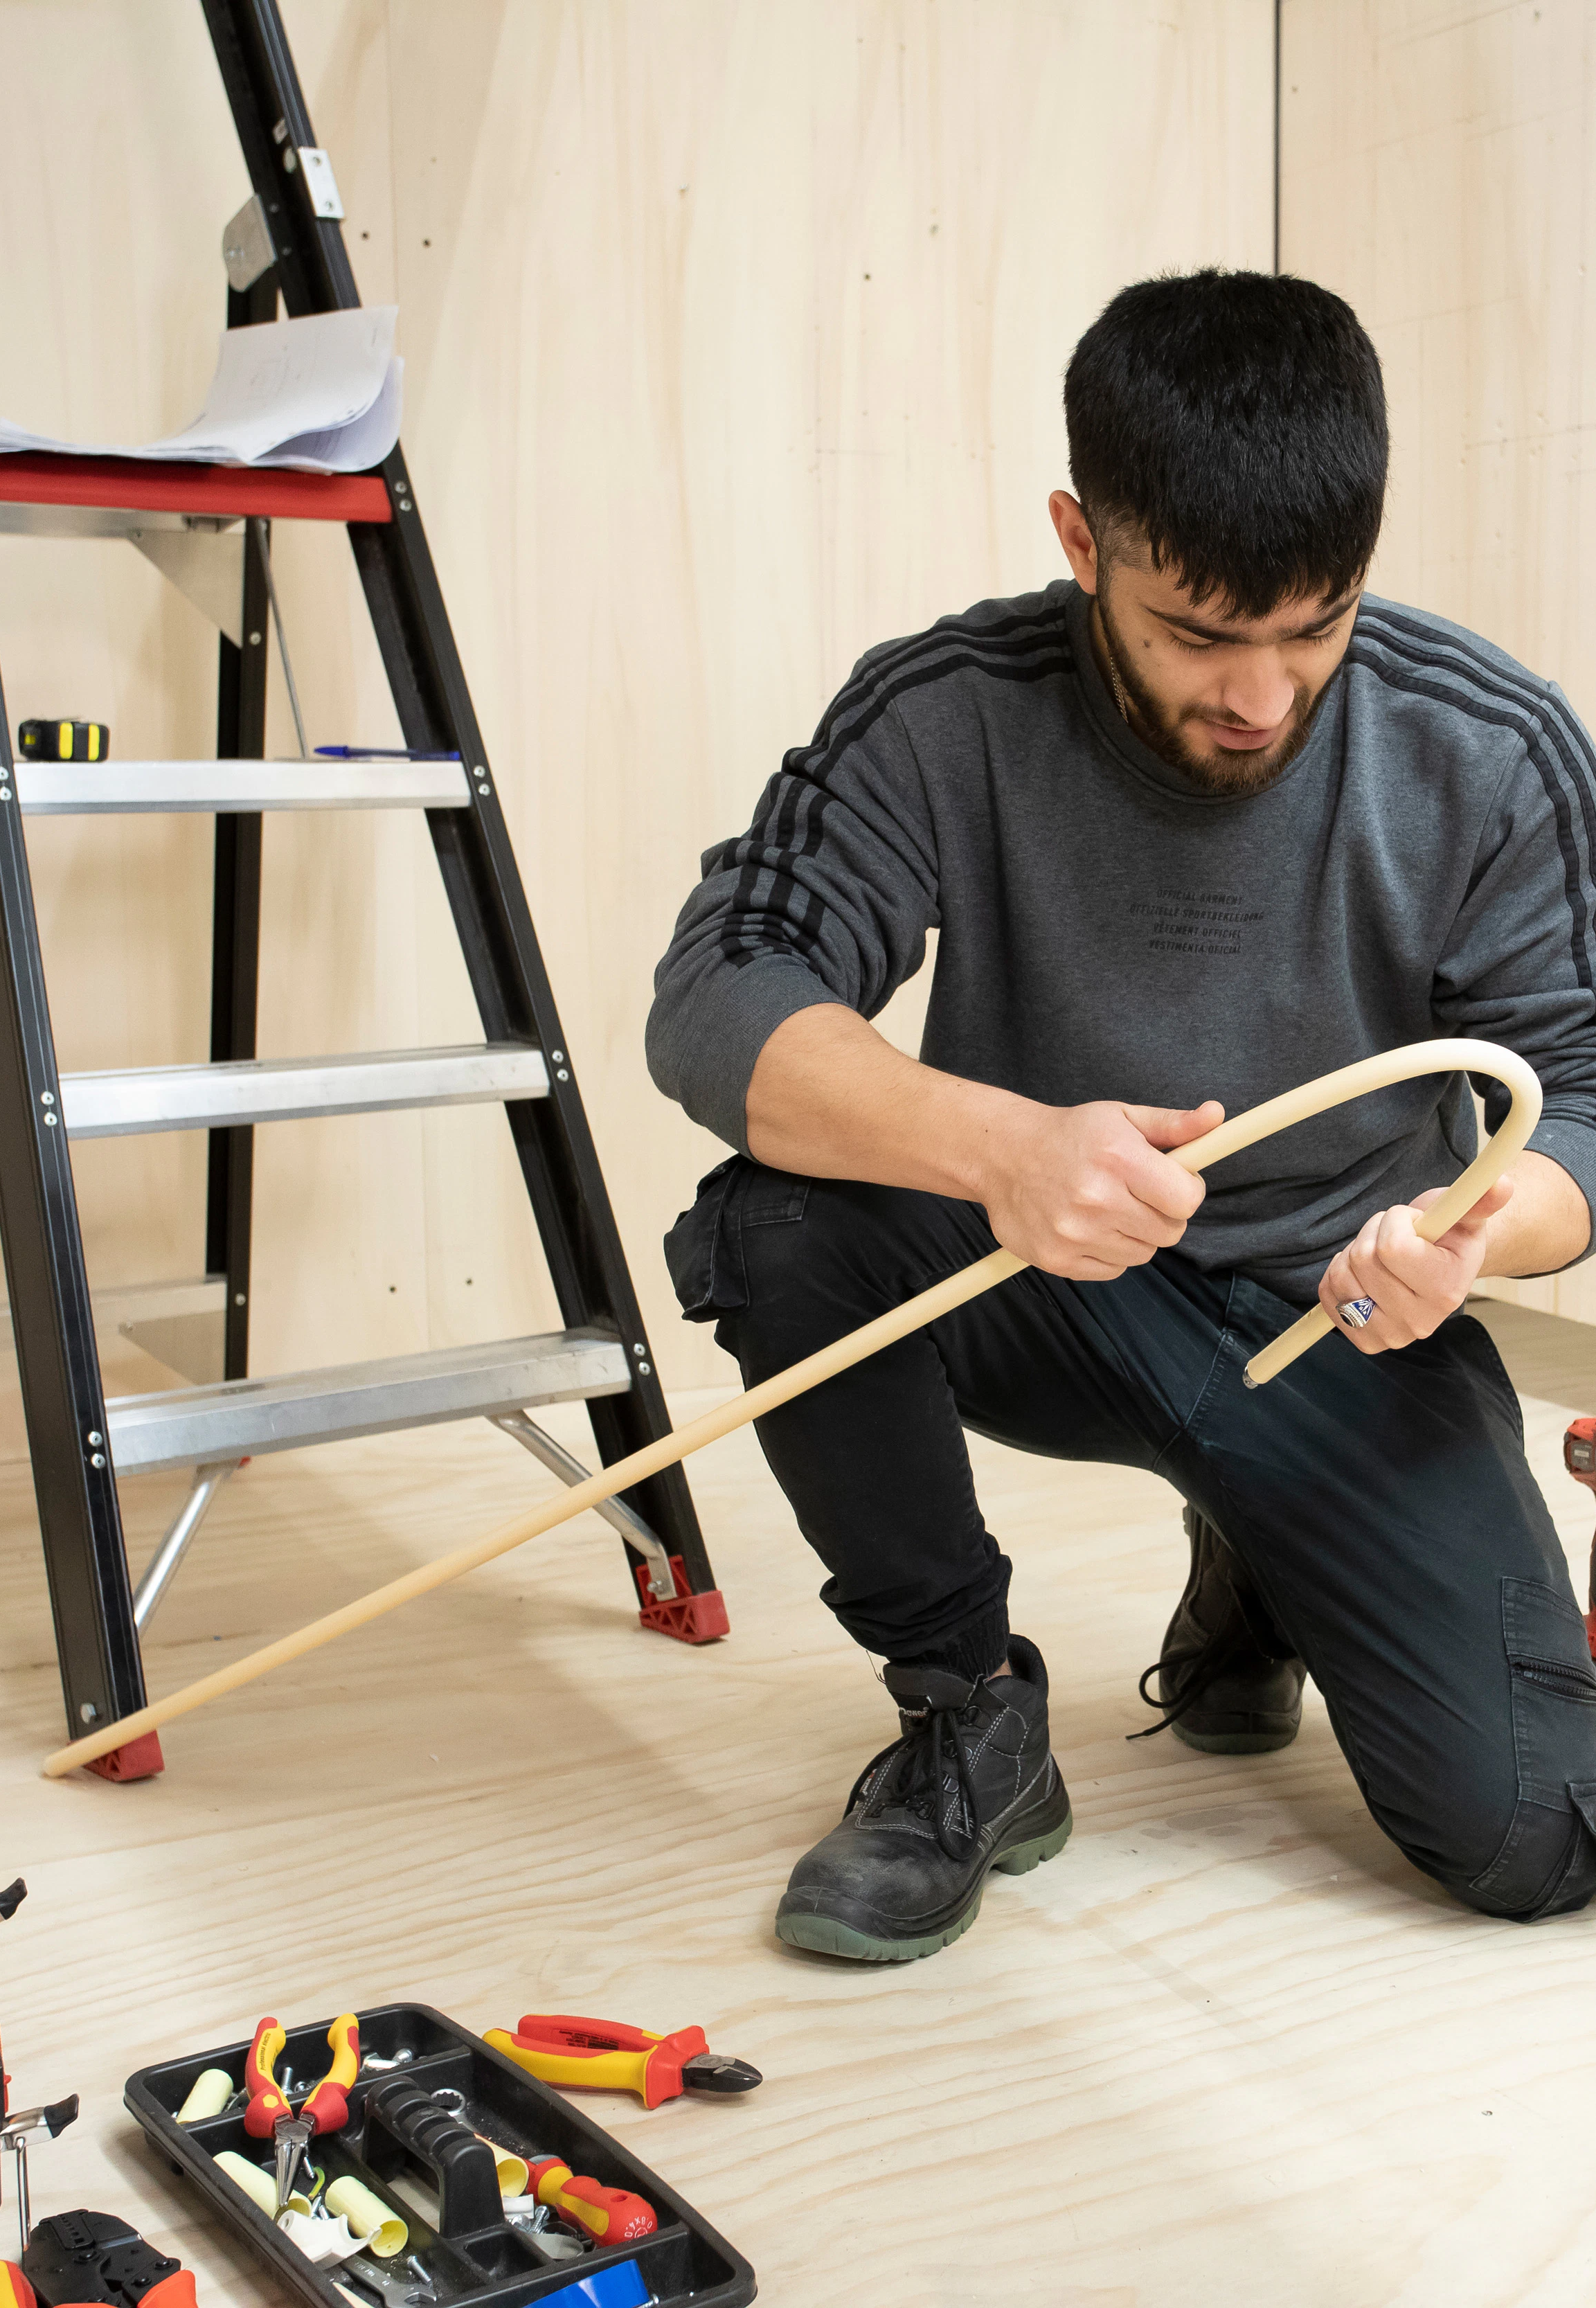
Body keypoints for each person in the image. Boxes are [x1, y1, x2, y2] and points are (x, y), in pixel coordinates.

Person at [647, 270, 1596, 1962]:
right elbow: (720, 993)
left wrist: (1478, 1230)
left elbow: (1582, 1093)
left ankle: (1262, 1558)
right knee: (777, 1223)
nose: (1262, 696)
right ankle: (966, 1713)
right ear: (1081, 542)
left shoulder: (1487, 745)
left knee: (1531, 1836)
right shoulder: (943, 707)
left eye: (1315, 627)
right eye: (1198, 635)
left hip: (1339, 1327)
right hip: (1043, 1284)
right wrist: (1002, 1148)